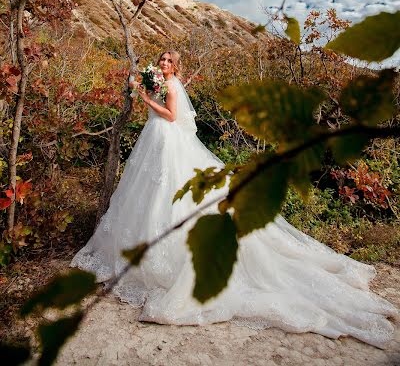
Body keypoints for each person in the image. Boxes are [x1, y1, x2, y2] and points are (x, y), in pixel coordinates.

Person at [71, 50, 398, 348]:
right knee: (147, 192)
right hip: (155, 142)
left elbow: (171, 117)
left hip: (166, 141)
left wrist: (144, 96)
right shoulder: (161, 81)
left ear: (176, 66)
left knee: (166, 191)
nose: (165, 64)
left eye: (170, 61)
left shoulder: (171, 87)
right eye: (163, 60)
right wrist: (143, 87)